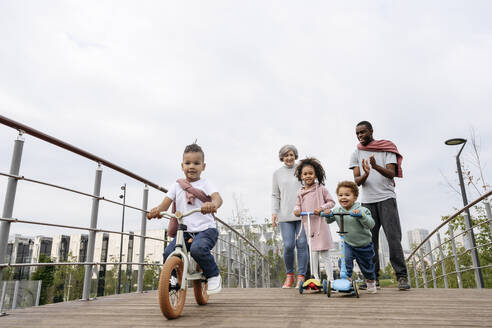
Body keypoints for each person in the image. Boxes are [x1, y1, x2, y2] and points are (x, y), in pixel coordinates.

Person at [147, 143, 223, 295]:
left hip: (206, 229)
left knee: (198, 249)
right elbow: (165, 205)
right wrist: (157, 211)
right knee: (168, 253)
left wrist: (212, 204)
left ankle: (214, 275)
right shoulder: (176, 186)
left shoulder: (206, 184)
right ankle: (173, 280)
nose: (192, 166)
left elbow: (217, 199)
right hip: (185, 231)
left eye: (196, 163)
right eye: (188, 163)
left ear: (204, 166)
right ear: (182, 166)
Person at [349, 121, 410, 290]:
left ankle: (402, 277)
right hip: (367, 201)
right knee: (369, 241)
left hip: (386, 198)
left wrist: (376, 166)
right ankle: (372, 278)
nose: (360, 136)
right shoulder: (356, 153)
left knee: (393, 238)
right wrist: (366, 173)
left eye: (363, 132)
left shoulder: (386, 148)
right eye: (357, 134)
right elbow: (357, 181)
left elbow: (391, 173)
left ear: (371, 131)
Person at [324, 181, 377, 293]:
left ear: (355, 197)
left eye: (347, 195)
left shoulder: (362, 210)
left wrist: (361, 216)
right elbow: (329, 220)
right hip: (348, 243)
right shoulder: (338, 211)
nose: (343, 197)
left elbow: (371, 224)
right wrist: (328, 214)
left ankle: (371, 281)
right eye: (340, 195)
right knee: (344, 261)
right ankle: (346, 280)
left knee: (367, 266)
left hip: (364, 244)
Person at [293, 157, 335, 283]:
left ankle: (331, 279)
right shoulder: (300, 192)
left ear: (315, 174)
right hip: (308, 224)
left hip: (320, 224)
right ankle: (315, 278)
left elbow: (331, 202)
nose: (308, 176)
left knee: (325, 253)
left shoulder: (321, 189)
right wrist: (296, 210)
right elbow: (298, 205)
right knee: (313, 253)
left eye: (310, 173)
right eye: (305, 174)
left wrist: (321, 208)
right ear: (301, 176)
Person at [272, 145, 308, 288]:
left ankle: (301, 276)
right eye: (286, 155)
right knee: (288, 245)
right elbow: (275, 195)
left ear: (295, 156)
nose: (289, 158)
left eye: (291, 154)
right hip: (285, 215)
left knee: (302, 244)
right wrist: (274, 212)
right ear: (282, 158)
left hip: (302, 214)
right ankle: (289, 276)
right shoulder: (277, 174)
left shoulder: (302, 169)